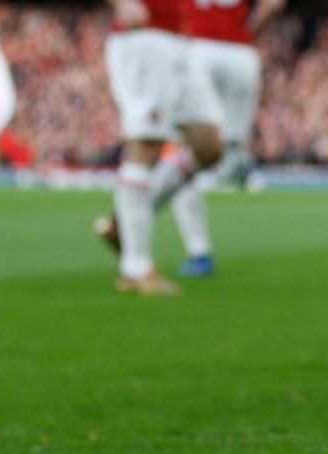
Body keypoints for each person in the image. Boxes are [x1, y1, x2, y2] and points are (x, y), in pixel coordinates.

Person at [99, 0, 225, 295]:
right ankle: (136, 269)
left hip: (181, 41)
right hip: (143, 36)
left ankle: (124, 225)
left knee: (210, 146)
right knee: (146, 144)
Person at [169, 0, 285, 278]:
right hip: (241, 54)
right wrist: (249, 29)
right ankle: (234, 156)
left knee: (184, 154)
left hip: (197, 49)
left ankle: (199, 253)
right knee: (230, 145)